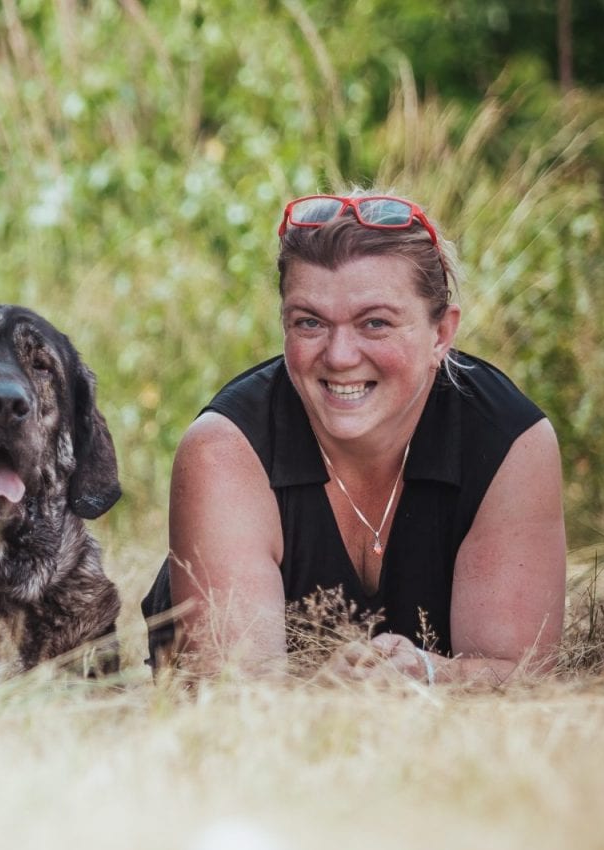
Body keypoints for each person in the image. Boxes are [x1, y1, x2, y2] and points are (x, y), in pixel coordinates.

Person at [142, 191, 566, 684]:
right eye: (309, 322)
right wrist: (323, 696)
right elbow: (231, 693)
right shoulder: (223, 449)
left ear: (441, 335)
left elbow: (522, 676)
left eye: (376, 323)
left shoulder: (510, 440)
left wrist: (426, 676)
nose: (340, 356)